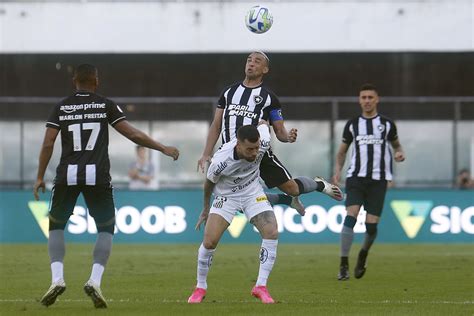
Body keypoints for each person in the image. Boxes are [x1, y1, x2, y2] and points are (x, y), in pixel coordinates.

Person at [33, 64, 179, 308]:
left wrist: (39, 177)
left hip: (66, 175)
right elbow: (132, 134)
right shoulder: (104, 105)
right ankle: (94, 280)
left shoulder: (61, 106)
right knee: (106, 229)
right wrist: (162, 148)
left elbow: (48, 143)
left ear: (74, 81)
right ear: (96, 81)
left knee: (56, 226)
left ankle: (57, 279)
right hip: (98, 176)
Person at [197, 51, 343, 214]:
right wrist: (206, 153)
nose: (251, 63)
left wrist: (287, 137)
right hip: (231, 155)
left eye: (257, 61)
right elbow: (216, 125)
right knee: (236, 200)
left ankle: (319, 184)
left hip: (259, 153)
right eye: (249, 60)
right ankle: (286, 201)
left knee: (293, 189)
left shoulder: (269, 98)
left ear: (265, 69)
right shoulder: (228, 93)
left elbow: (280, 130)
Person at [188, 123, 279, 304]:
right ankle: (200, 287)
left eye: (256, 148)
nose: (255, 153)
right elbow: (208, 184)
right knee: (209, 241)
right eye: (249, 149)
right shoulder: (220, 161)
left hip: (252, 193)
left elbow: (264, 123)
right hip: (226, 197)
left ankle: (260, 286)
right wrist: (206, 209)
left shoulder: (263, 140)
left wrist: (264, 121)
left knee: (272, 231)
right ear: (238, 144)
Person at [332, 83, 405, 281]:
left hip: (379, 180)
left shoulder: (388, 124)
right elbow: (342, 151)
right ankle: (343, 264)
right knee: (351, 214)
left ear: (377, 99)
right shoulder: (353, 124)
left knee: (371, 226)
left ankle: (363, 255)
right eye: (363, 97)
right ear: (359, 100)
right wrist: (338, 170)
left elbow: (397, 146)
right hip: (356, 177)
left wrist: (399, 153)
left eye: (370, 97)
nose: (366, 101)